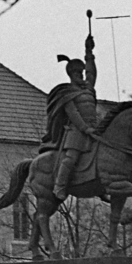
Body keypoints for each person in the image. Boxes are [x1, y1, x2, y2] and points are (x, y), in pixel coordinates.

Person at [44, 32, 98, 199]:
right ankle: (59, 187)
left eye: (81, 74)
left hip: (94, 127)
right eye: (77, 74)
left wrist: (89, 53)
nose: (81, 76)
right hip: (76, 131)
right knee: (71, 158)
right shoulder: (66, 93)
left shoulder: (88, 87)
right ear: (70, 76)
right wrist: (84, 128)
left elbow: (92, 73)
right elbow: (73, 113)